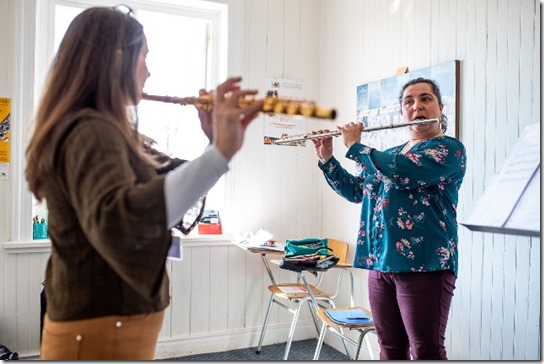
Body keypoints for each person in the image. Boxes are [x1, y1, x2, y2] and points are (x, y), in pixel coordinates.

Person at [25, 5, 263, 360]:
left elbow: (166, 185)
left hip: (108, 327)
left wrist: (215, 147)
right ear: (116, 58)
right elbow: (126, 219)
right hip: (97, 331)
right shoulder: (89, 129)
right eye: (144, 57)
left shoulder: (109, 129)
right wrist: (220, 153)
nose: (149, 72)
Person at [312, 77, 466, 360]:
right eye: (409, 101)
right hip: (380, 263)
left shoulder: (448, 149)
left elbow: (404, 172)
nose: (417, 105)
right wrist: (327, 160)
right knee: (390, 348)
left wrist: (356, 147)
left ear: (440, 107)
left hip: (425, 265)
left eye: (425, 99)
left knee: (426, 350)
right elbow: (357, 190)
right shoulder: (391, 153)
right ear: (403, 112)